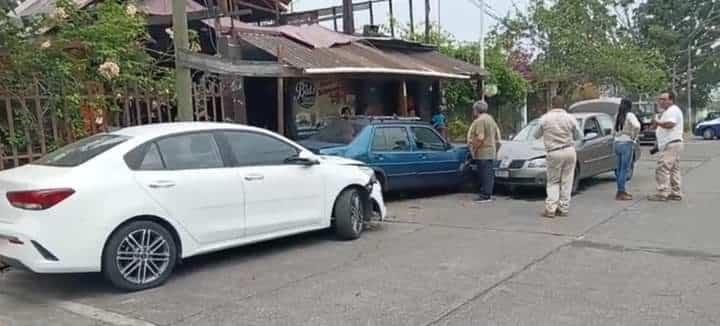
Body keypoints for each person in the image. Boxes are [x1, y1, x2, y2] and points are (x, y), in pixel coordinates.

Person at [533, 96, 581, 218]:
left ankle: (551, 209)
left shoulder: (545, 119)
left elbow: (536, 135)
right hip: (569, 151)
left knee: (553, 181)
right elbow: (578, 135)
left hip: (554, 152)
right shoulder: (570, 118)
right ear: (563, 105)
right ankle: (563, 208)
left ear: (552, 105)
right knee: (567, 180)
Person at [648, 91, 684, 202]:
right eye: (660, 99)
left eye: (664, 99)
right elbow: (656, 127)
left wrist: (658, 122)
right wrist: (657, 118)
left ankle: (662, 193)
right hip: (672, 143)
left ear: (671, 100)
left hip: (672, 143)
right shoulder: (666, 112)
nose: (661, 101)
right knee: (673, 169)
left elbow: (670, 124)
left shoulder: (673, 110)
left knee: (662, 167)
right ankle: (676, 192)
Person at [466, 100, 501, 203]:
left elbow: (480, 137)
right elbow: (497, 135)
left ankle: (485, 195)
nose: (473, 111)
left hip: (483, 151)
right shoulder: (490, 119)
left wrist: (475, 149)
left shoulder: (480, 121)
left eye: (474, 109)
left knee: (484, 173)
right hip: (491, 150)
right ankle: (488, 193)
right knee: (488, 173)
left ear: (476, 110)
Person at [614, 98, 641, 201]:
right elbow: (637, 126)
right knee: (625, 169)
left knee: (619, 168)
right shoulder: (630, 115)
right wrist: (634, 136)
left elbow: (613, 130)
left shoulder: (617, 115)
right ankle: (621, 192)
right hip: (626, 143)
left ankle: (619, 190)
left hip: (617, 143)